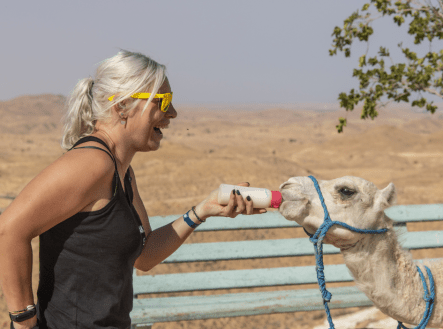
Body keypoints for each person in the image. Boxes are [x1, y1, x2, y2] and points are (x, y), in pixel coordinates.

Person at [0, 50, 266, 329]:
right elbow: (9, 230)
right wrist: (24, 321)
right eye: (163, 101)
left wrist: (202, 211)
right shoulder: (91, 164)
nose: (172, 113)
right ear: (123, 106)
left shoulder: (121, 171)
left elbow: (144, 255)